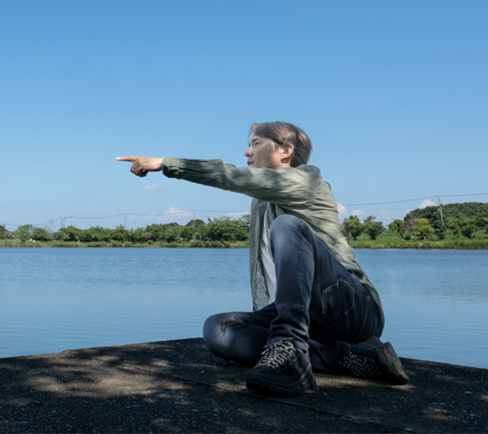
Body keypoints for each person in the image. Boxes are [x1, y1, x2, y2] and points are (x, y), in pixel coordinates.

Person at [116, 121, 409, 397]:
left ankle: (289, 349)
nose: (247, 152)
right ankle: (345, 358)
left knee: (287, 226)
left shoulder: (309, 180)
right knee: (218, 330)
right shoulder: (261, 202)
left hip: (351, 308)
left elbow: (233, 176)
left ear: (286, 151)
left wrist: (166, 163)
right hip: (306, 320)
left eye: (256, 143)